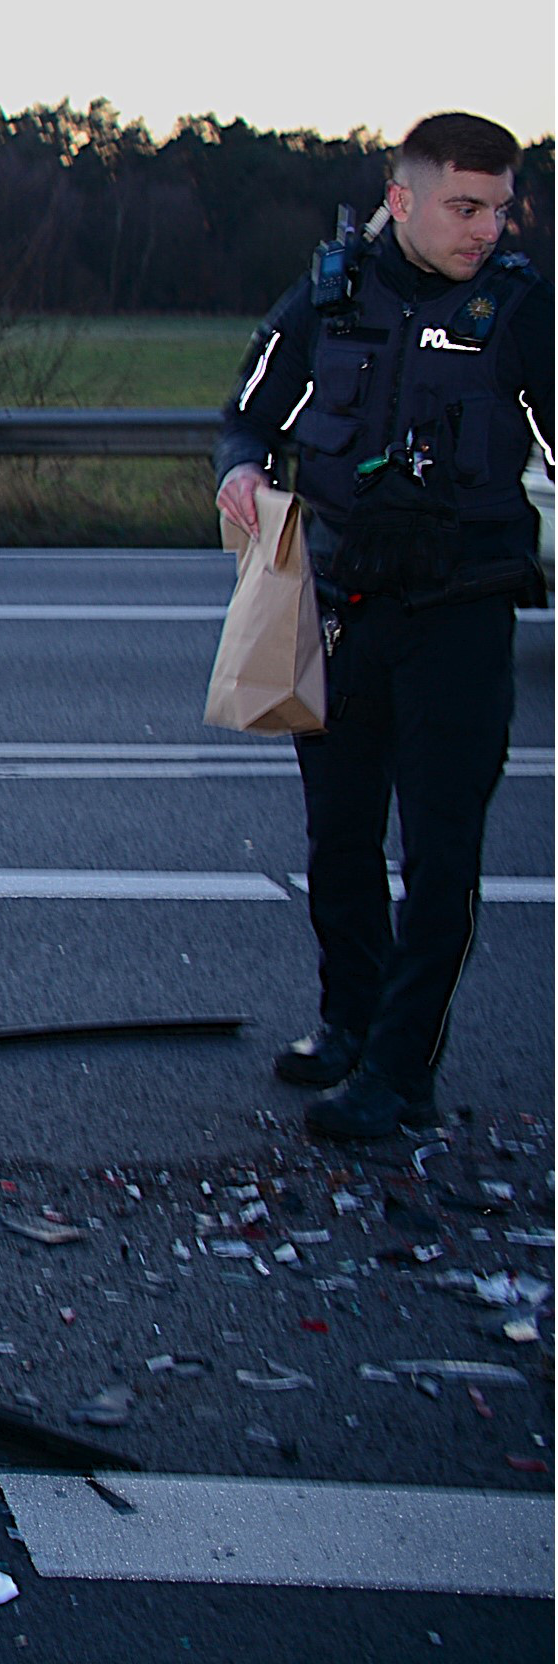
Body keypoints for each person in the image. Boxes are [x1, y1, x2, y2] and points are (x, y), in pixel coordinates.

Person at [215, 111, 554, 1141]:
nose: (485, 227)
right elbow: (247, 410)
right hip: (343, 608)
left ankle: (399, 1074)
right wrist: (237, 467)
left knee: (440, 855)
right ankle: (347, 1025)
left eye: (498, 206)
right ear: (399, 200)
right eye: (462, 205)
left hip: (459, 617)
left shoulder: (522, 306)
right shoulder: (327, 294)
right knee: (339, 837)